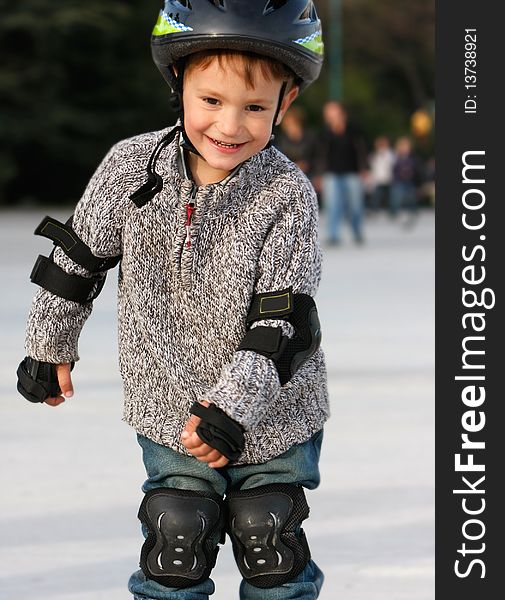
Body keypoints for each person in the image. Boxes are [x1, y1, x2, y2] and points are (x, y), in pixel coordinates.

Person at [16, 2, 329, 600]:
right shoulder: (131, 167)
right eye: (211, 100)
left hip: (273, 412)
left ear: (285, 104)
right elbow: (77, 261)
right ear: (178, 82)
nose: (230, 126)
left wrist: (234, 407)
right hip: (169, 404)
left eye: (255, 107)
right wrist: (48, 345)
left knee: (270, 539)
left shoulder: (286, 193)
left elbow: (282, 321)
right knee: (176, 541)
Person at [316, 100, 368, 245]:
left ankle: (357, 232)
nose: (329, 116)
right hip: (331, 173)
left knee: (355, 205)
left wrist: (364, 169)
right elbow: (320, 154)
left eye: (332, 112)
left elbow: (361, 149)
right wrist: (319, 174)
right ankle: (333, 235)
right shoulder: (324, 131)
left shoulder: (353, 129)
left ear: (341, 113)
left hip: (352, 172)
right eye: (327, 113)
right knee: (332, 205)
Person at [391, 136, 422, 223]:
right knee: (396, 197)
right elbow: (393, 169)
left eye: (405, 146)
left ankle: (413, 212)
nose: (403, 148)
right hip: (398, 181)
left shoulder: (413, 157)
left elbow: (417, 170)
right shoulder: (395, 157)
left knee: (412, 197)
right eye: (402, 146)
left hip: (410, 181)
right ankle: (394, 213)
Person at [368, 135, 395, 215]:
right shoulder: (374, 155)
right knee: (376, 196)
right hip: (378, 179)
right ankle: (374, 210)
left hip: (389, 179)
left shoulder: (390, 155)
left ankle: (392, 212)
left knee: (390, 197)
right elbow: (373, 167)